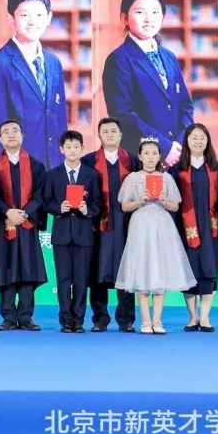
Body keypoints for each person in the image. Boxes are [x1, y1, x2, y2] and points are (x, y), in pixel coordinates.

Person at [102, 0, 194, 167]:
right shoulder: (118, 59)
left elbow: (185, 105)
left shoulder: (169, 56)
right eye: (140, 12)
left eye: (155, 12)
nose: (149, 19)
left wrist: (180, 144)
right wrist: (164, 148)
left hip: (177, 155)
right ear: (124, 18)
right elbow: (123, 115)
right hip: (141, 157)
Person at [0, 0, 68, 168]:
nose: (32, 22)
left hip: (54, 167)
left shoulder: (54, 63)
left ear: (49, 18)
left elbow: (60, 121)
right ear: (11, 18)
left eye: (39, 15)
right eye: (24, 15)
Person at [114, 138, 196, 334]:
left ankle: (157, 321)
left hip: (162, 226)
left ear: (160, 156)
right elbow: (124, 206)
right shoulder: (133, 178)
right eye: (146, 153)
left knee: (160, 274)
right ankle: (145, 321)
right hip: (140, 226)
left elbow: (175, 206)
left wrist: (164, 200)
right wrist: (139, 201)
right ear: (140, 156)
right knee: (142, 273)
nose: (150, 157)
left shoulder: (166, 178)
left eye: (154, 153)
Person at [0, 119, 47, 331]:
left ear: (22, 136)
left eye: (15, 131)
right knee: (6, 268)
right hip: (4, 225)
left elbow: (40, 195)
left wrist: (25, 213)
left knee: (28, 269)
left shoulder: (36, 166)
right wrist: (7, 211)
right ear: (0, 139)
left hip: (27, 224)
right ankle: (8, 317)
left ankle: (26, 317)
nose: (11, 135)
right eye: (6, 132)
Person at [81, 118, 139, 333]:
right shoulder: (88, 161)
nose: (110, 134)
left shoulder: (132, 160)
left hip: (126, 224)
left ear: (121, 134)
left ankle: (126, 319)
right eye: (105, 131)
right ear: (99, 135)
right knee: (97, 269)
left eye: (114, 131)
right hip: (97, 225)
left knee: (127, 269)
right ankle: (100, 318)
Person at [170, 124, 218, 333]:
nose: (198, 141)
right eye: (194, 137)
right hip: (184, 228)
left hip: (211, 228)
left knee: (209, 269)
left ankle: (204, 317)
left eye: (202, 137)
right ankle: (192, 316)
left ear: (208, 141)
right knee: (189, 270)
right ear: (186, 141)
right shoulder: (176, 170)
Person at [42, 130, 102, 333]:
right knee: (64, 279)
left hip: (84, 234)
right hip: (61, 235)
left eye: (76, 147)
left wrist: (88, 210)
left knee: (81, 280)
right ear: (61, 149)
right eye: (68, 147)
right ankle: (65, 319)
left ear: (82, 149)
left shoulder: (91, 175)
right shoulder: (52, 175)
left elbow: (98, 203)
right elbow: (46, 202)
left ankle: (79, 319)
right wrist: (59, 208)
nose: (72, 150)